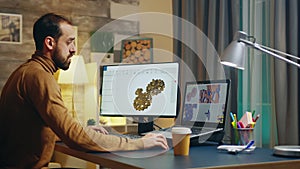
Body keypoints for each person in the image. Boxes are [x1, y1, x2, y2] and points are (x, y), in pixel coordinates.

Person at [0, 13, 168, 169]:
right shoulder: (40, 77)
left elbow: (31, 131)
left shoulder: (25, 71)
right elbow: (74, 137)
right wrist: (140, 144)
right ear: (50, 43)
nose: (73, 49)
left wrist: (84, 131)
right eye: (69, 42)